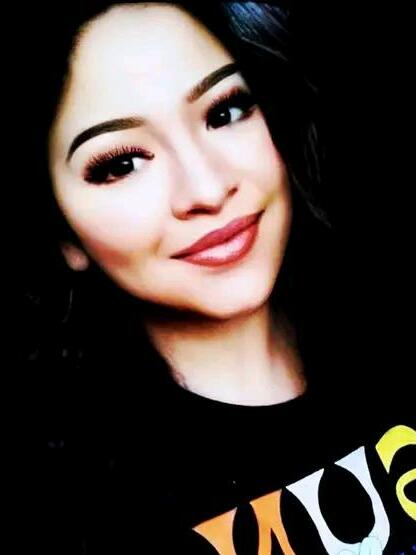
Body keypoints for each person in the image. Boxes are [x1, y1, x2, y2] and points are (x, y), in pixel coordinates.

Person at [19, 1, 414, 553]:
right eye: (121, 164)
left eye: (225, 111)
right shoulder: (68, 505)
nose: (206, 188)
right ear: (62, 232)